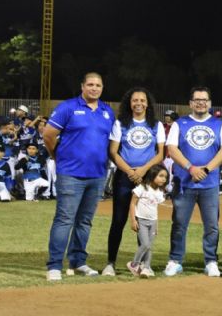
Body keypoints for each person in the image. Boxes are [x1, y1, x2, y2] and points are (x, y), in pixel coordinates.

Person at [43, 72, 115, 281]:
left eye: (98, 85)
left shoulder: (107, 111)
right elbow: (48, 135)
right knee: (64, 219)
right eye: (90, 84)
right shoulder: (68, 107)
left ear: (102, 88)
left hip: (97, 175)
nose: (94, 88)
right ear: (82, 86)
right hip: (71, 174)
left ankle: (78, 261)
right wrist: (57, 156)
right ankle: (55, 265)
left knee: (85, 221)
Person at [165, 86, 222, 278]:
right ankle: (175, 260)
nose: (201, 102)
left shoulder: (219, 124)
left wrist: (206, 169)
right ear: (190, 103)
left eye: (205, 99)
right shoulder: (179, 123)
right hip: (185, 182)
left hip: (209, 184)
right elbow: (172, 148)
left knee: (211, 225)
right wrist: (190, 168)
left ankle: (210, 261)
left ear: (209, 103)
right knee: (179, 224)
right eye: (197, 99)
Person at [102, 87, 165, 277]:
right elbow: (113, 151)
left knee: (146, 221)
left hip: (147, 179)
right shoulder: (120, 123)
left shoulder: (156, 125)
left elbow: (160, 153)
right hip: (124, 176)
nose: (139, 103)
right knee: (119, 221)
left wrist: (144, 170)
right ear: (129, 103)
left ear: (148, 103)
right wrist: (130, 171)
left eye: (142, 100)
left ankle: (144, 265)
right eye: (135, 100)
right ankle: (110, 263)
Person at [126, 164, 169, 278]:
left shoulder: (159, 192)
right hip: (141, 221)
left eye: (165, 177)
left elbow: (155, 209)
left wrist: (157, 225)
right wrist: (133, 220)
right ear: (152, 175)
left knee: (149, 246)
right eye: (161, 176)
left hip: (153, 222)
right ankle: (134, 264)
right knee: (145, 244)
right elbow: (132, 203)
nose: (164, 179)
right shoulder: (142, 188)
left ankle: (146, 268)